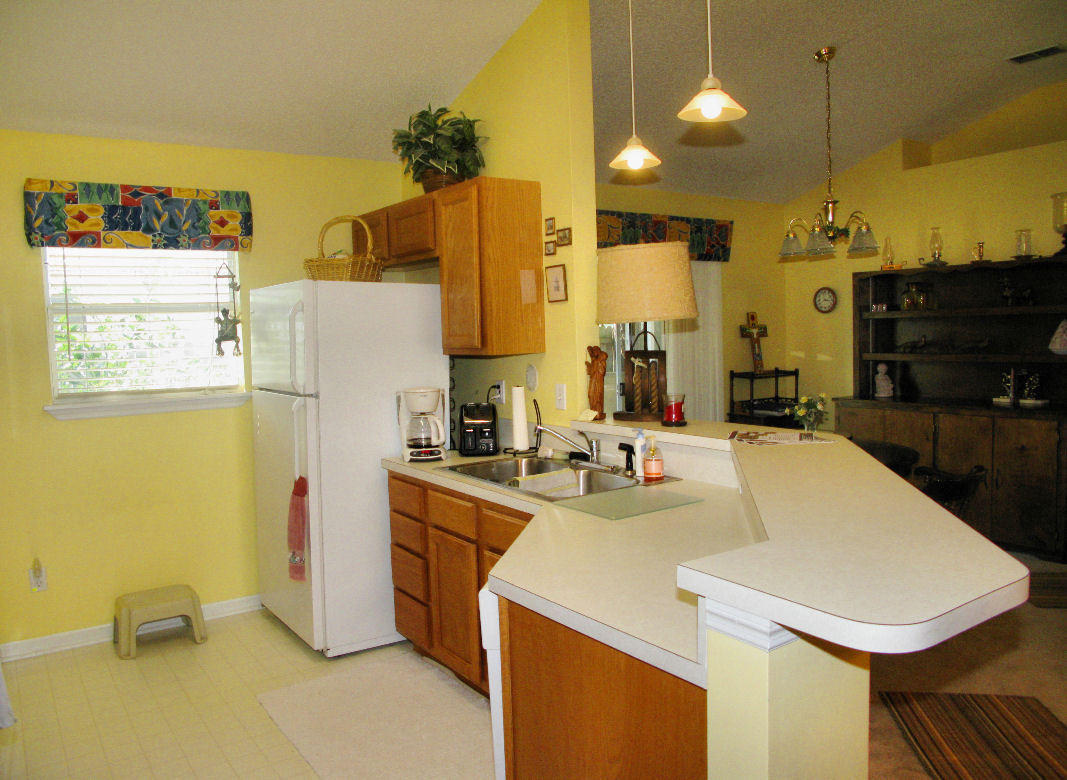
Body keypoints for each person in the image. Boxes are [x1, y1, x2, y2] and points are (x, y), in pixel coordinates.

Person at [586, 345, 608, 419]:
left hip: (598, 382)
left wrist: (598, 364)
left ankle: (597, 412)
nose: (594, 353)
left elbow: (602, 372)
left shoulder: (601, 360)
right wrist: (589, 365)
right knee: (590, 394)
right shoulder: (594, 360)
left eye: (595, 351)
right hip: (593, 380)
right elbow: (591, 371)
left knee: (597, 398)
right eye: (593, 352)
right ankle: (592, 411)